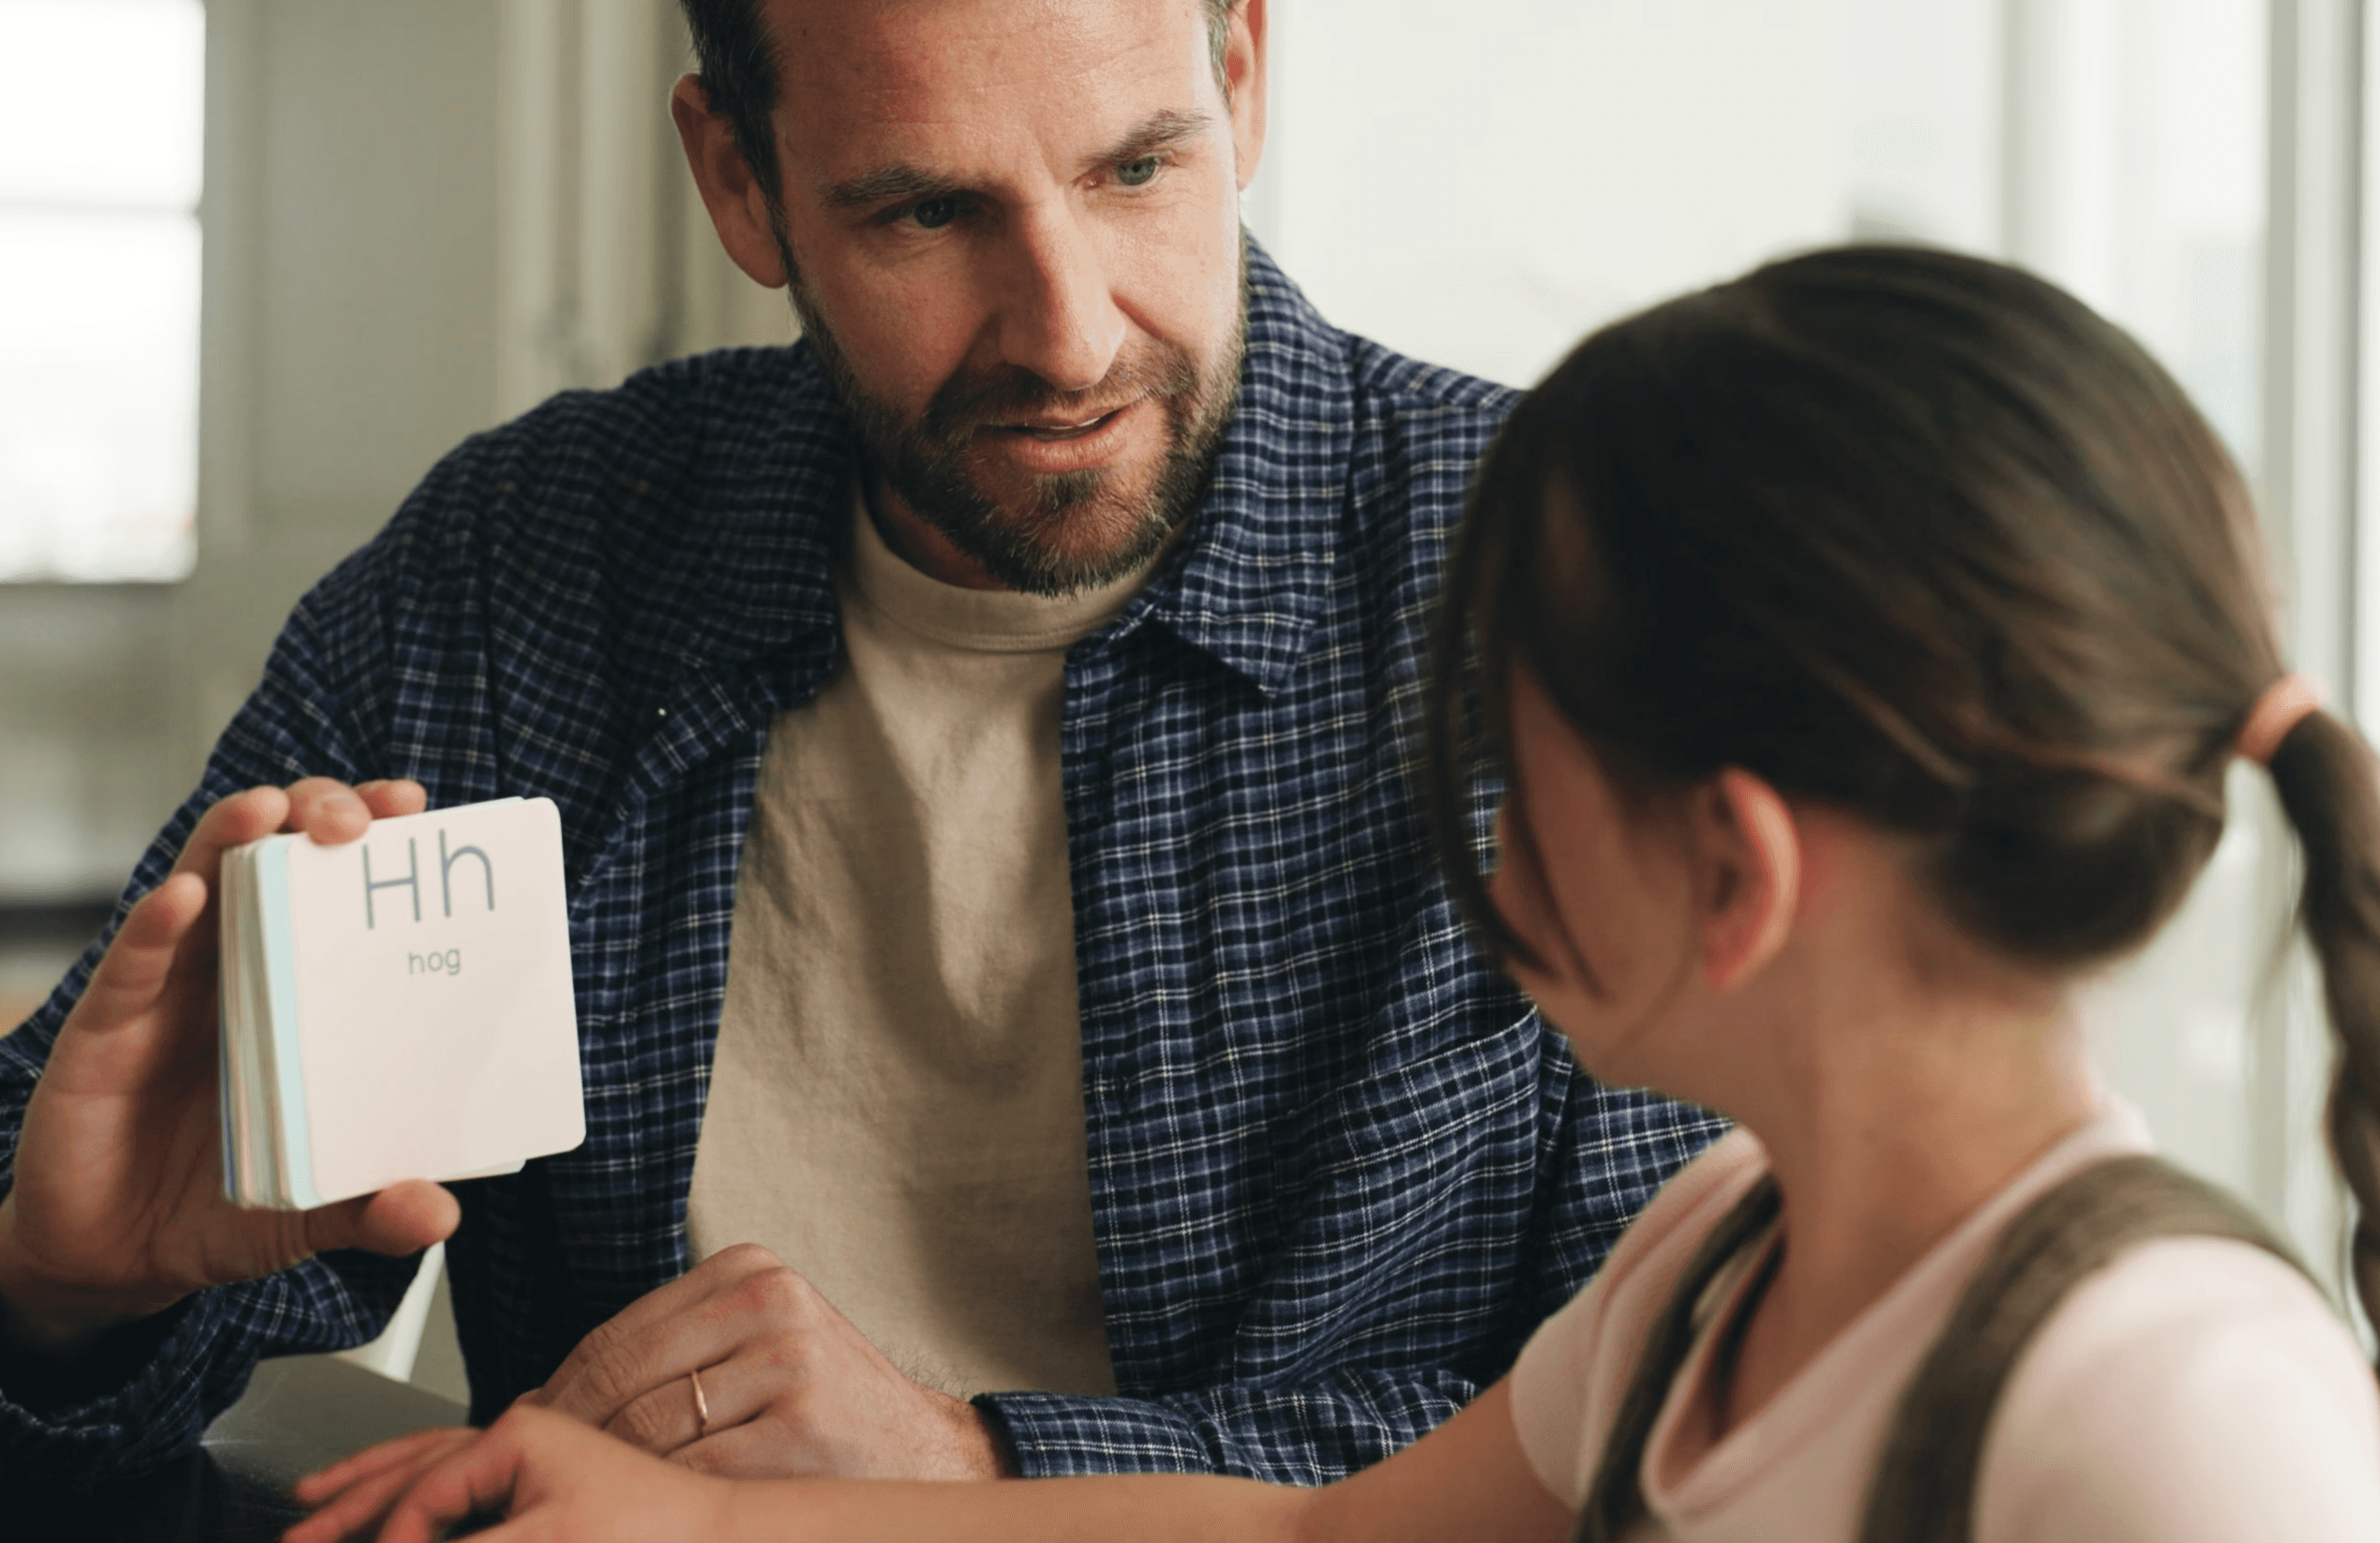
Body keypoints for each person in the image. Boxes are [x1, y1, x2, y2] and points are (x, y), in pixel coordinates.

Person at [0, 0, 1715, 1488]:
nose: (1068, 333)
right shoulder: (524, 571)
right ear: (739, 181)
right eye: (924, 213)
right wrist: (68, 1279)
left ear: (1234, 68)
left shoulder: (1557, 571)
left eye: (1135, 167)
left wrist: (984, 1468)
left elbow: (1708, 1404)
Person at [285, 245, 2380, 1542]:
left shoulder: (2172, 1414)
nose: (1461, 830)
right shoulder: (1711, 1261)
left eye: (1502, 756)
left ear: (1724, 868)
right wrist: (682, 1523)